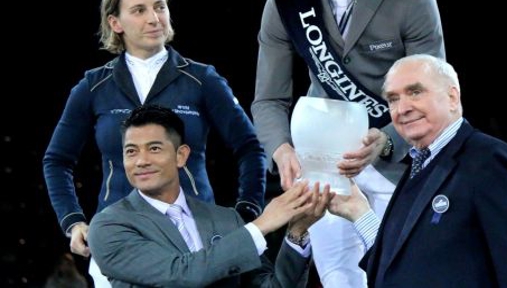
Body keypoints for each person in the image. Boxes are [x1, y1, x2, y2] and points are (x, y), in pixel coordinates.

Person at [251, 0, 445, 287]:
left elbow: (433, 93)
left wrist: (387, 139)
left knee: (404, 274)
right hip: (324, 163)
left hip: (400, 160)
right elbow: (268, 98)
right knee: (339, 277)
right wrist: (281, 149)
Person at [43, 0, 267, 286]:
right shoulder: (93, 86)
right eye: (139, 10)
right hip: (119, 236)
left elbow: (250, 148)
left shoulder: (203, 80)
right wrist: (73, 221)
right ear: (115, 23)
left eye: (160, 6)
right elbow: (57, 160)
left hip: (196, 235)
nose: (154, 18)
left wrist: (245, 212)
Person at [327, 54, 507, 287]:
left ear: (452, 97)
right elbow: (401, 265)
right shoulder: (418, 165)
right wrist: (359, 212)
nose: (402, 108)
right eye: (393, 99)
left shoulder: (490, 161)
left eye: (415, 92)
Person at [88, 104, 332, 287]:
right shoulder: (109, 225)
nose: (141, 161)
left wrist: (297, 233)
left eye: (154, 148)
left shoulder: (227, 219)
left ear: (181, 156)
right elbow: (182, 275)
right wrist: (262, 225)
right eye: (131, 151)